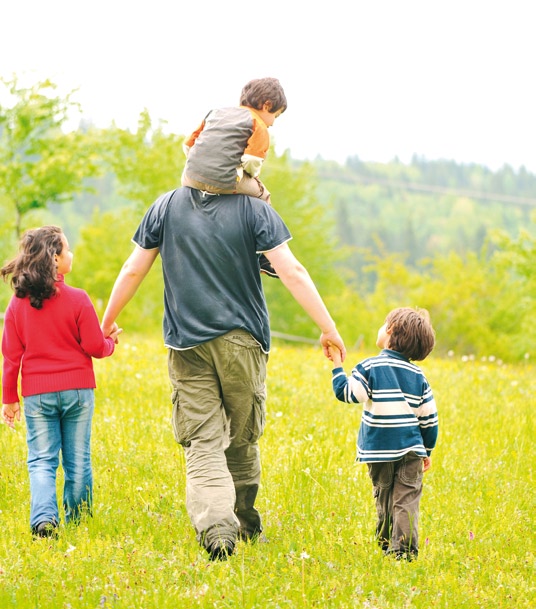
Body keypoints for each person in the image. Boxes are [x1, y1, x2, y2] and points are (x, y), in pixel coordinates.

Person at [100, 186, 346, 560]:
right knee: (242, 438)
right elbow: (292, 270)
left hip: (187, 345)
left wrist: (108, 321)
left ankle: (216, 530)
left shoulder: (165, 206)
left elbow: (133, 268)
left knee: (203, 441)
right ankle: (244, 526)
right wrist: (328, 327)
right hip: (243, 343)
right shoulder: (255, 210)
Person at [1, 225, 122, 538]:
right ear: (55, 260)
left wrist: (9, 399)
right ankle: (79, 521)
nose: (71, 254)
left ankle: (44, 521)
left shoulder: (17, 305)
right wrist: (110, 342)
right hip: (78, 391)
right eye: (67, 250)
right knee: (78, 459)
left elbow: (11, 356)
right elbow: (95, 347)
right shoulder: (78, 300)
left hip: (37, 395)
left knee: (41, 460)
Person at [328, 307, 437, 560]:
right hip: (411, 450)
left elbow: (348, 394)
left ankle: (386, 543)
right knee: (406, 498)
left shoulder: (369, 366)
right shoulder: (419, 376)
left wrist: (336, 364)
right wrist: (427, 450)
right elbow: (429, 419)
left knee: (384, 496)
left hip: (378, 449)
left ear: (389, 330)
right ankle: (404, 552)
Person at [181, 77, 287, 277]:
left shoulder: (215, 113)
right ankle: (264, 257)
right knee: (263, 195)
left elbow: (188, 145)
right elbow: (251, 162)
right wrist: (250, 176)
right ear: (267, 105)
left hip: (189, 177)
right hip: (224, 180)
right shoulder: (258, 124)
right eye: (276, 116)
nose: (273, 123)